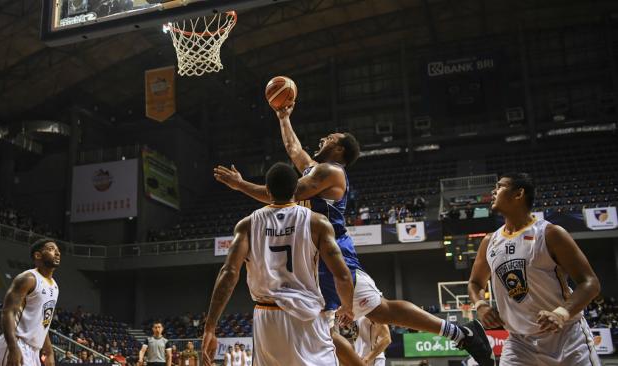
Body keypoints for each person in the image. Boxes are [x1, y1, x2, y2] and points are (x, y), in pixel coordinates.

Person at [213, 104, 493, 366]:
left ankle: (459, 333)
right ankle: (459, 334)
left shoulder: (331, 171)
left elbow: (287, 193)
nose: (324, 138)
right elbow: (292, 147)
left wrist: (240, 185)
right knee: (354, 319)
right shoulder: (315, 168)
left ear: (340, 151)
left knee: (361, 316)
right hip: (317, 255)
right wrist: (283, 116)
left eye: (331, 138)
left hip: (331, 255)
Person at [202, 163, 356, 366]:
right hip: (306, 316)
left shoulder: (247, 224)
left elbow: (228, 273)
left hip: (266, 316)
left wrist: (210, 327)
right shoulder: (317, 223)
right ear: (297, 190)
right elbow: (342, 275)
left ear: (267, 190)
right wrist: (347, 307)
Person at [468, 173, 602, 366]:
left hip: (566, 338)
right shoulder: (490, 241)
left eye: (500, 186)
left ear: (518, 193)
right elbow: (475, 283)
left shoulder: (550, 234)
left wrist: (561, 313)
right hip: (519, 343)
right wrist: (480, 305)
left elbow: (590, 283)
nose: (493, 191)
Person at [0, 239, 60, 366]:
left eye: (57, 250)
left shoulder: (54, 286)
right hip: (16, 343)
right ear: (38, 255)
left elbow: (43, 323)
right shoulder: (28, 279)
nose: (57, 253)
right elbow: (8, 312)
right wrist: (13, 348)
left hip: (34, 350)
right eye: (51, 249)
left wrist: (49, 352)